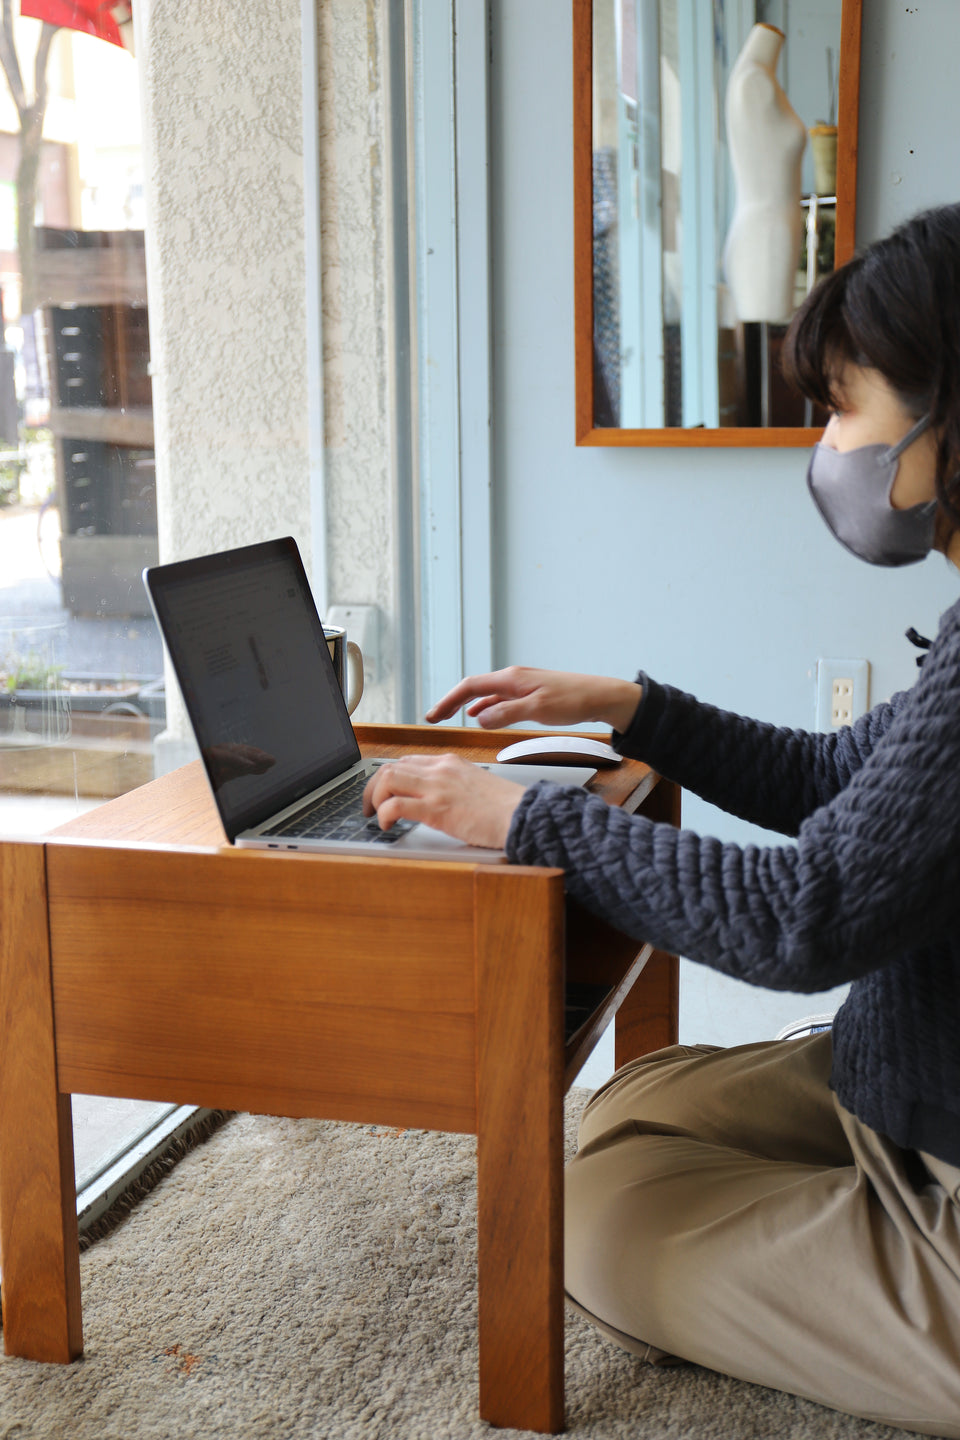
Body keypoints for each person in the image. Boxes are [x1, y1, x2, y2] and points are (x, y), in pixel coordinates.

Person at [362, 203, 960, 1435]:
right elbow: (849, 776)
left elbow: (806, 918)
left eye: (848, 406)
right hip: (909, 1079)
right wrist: (638, 710)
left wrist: (528, 823)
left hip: (942, 1166)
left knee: (593, 1218)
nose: (830, 446)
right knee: (634, 1107)